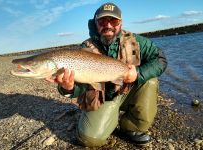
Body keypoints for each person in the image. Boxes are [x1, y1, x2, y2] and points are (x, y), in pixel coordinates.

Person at [48, 2, 167, 147]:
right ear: (96, 23)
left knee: (150, 81)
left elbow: (160, 60)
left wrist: (138, 73)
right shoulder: (84, 49)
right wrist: (68, 88)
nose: (108, 25)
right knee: (90, 140)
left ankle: (130, 128)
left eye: (113, 20)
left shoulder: (136, 41)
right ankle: (109, 117)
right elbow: (79, 88)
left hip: (128, 90)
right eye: (103, 21)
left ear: (120, 23)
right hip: (104, 99)